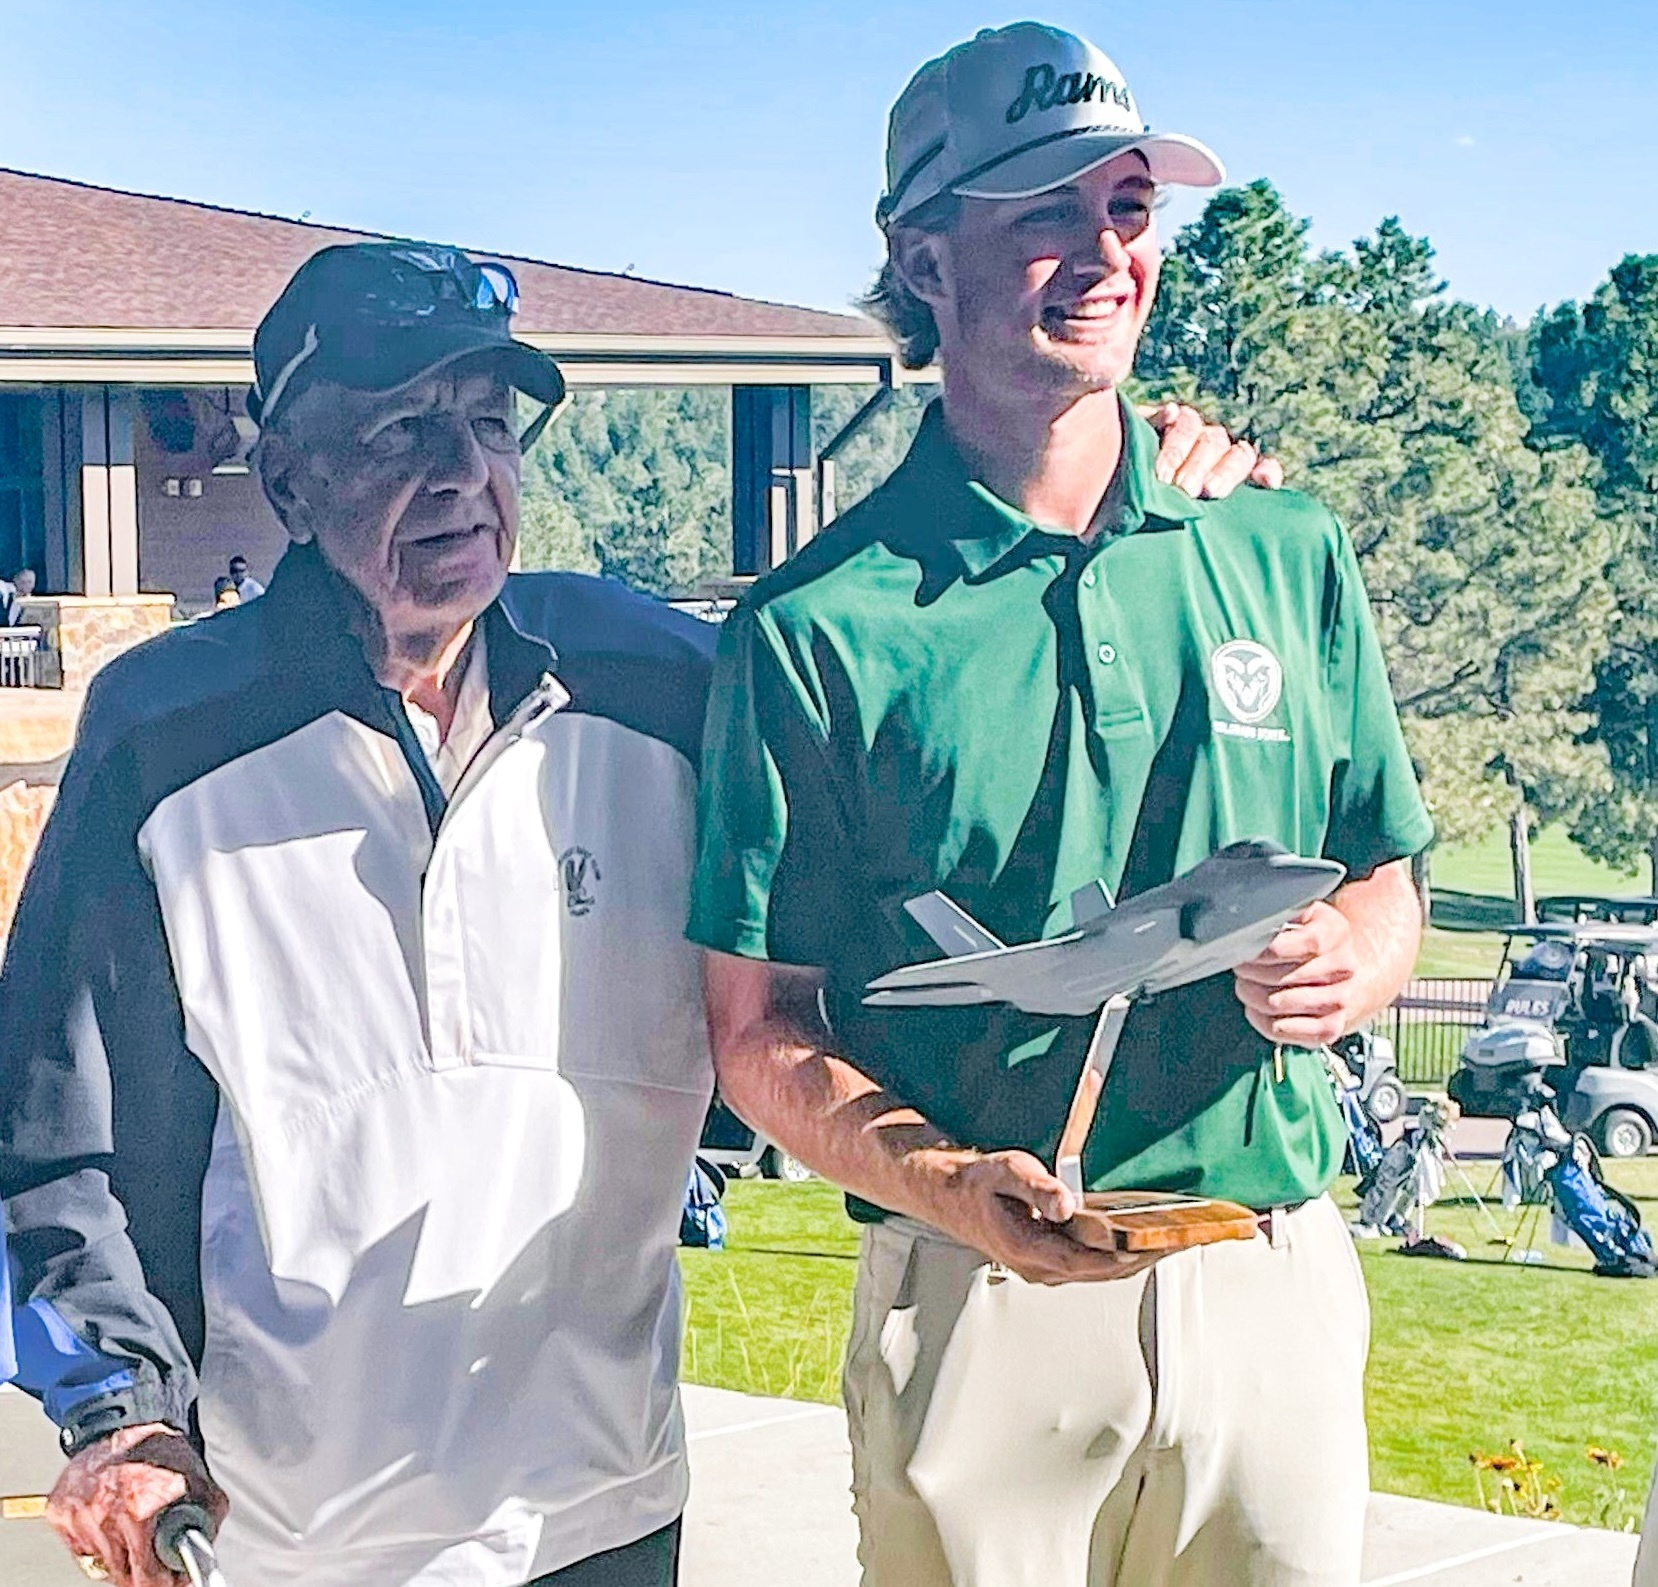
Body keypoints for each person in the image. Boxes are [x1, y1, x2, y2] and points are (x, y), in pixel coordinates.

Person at [690, 22, 1431, 1587]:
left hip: (1269, 1270)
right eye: (1041, 213)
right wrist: (949, 1183)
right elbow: (757, 1026)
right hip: (975, 1302)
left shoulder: (1280, 545)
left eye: (1125, 210)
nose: (1101, 255)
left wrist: (1356, 960)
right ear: (921, 255)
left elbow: (1381, 872)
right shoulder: (817, 628)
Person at [0, 241, 717, 1587]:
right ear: (287, 478)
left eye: (488, 425)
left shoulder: (663, 683)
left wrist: (1103, 476)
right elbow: (47, 1128)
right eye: (401, 431)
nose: (460, 474)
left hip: (605, 1510)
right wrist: (119, 1411)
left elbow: (882, 746)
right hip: (282, 1533)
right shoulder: (166, 734)